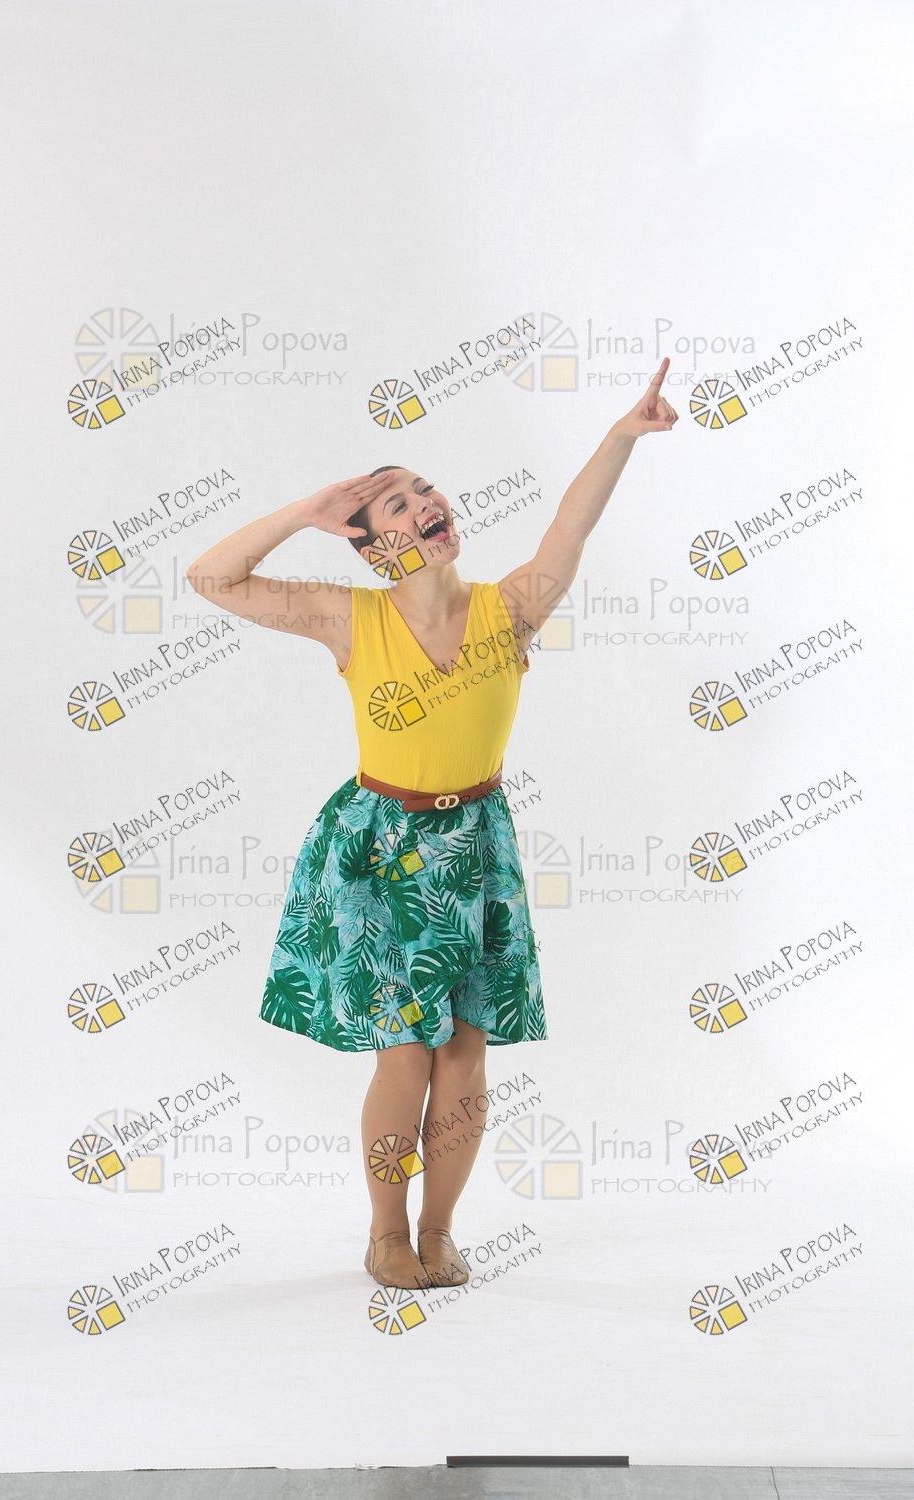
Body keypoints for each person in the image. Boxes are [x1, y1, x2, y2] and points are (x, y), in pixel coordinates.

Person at [185, 358, 678, 1293]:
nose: (424, 504)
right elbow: (213, 577)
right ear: (374, 549)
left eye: (425, 490)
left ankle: (439, 1228)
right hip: (377, 849)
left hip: (476, 849)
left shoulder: (510, 610)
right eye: (398, 505)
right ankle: (385, 1235)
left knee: (462, 1055)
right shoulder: (349, 617)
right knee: (405, 1054)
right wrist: (306, 513)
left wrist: (621, 435)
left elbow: (570, 527)